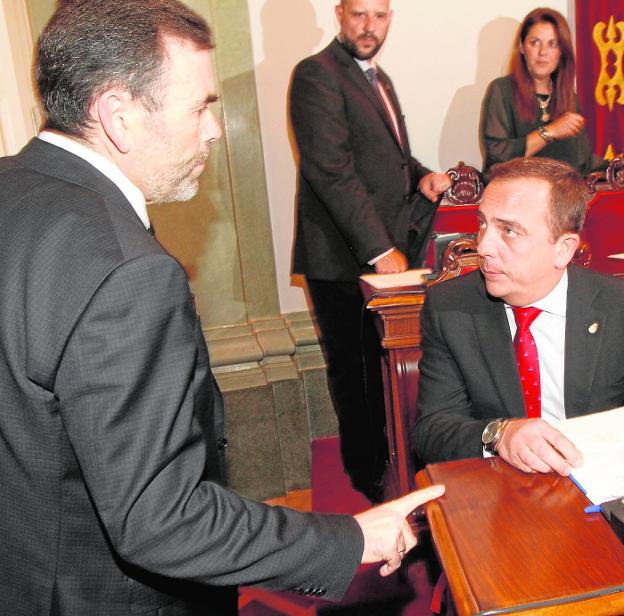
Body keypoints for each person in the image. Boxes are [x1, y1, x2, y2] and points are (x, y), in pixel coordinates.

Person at [0, 2, 445, 614]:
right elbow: (160, 517)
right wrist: (351, 537)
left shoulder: (13, 186)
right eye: (200, 106)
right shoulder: (130, 274)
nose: (214, 128)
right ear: (117, 115)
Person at [290, 0, 450, 502]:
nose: (369, 27)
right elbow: (331, 170)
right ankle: (369, 481)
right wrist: (381, 249)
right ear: (339, 13)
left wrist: (424, 176)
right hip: (342, 261)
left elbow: (393, 159)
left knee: (386, 372)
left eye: (379, 16)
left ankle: (394, 466)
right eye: (359, 14)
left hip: (381, 254)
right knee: (358, 376)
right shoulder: (316, 75)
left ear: (390, 18)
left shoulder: (379, 79)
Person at [412, 157, 624, 475]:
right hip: (503, 489)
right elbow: (432, 430)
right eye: (482, 223)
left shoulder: (615, 306)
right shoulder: (450, 306)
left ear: (563, 249)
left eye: (509, 231)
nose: (483, 246)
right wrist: (499, 434)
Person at [480, 8, 606, 175]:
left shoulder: (568, 97)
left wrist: (616, 166)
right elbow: (496, 156)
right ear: (522, 47)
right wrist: (550, 132)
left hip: (562, 197)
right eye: (535, 43)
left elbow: (584, 161)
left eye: (552, 44)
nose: (543, 52)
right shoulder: (501, 90)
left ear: (561, 52)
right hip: (516, 196)